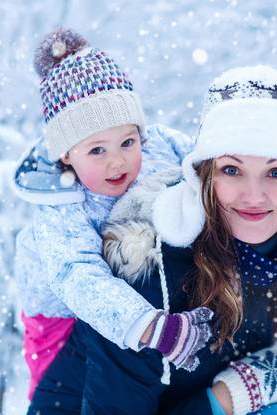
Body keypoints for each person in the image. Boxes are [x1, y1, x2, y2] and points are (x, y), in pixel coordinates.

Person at [80, 65, 277, 414]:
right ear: (205, 176)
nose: (253, 195)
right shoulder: (149, 267)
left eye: (275, 172)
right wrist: (225, 398)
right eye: (232, 170)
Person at [13, 28, 213, 409]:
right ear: (67, 155)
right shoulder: (62, 204)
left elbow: (212, 169)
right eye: (97, 150)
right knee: (64, 399)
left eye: (127, 142)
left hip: (142, 295)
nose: (117, 161)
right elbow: (78, 274)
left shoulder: (163, 146)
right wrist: (149, 326)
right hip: (63, 320)